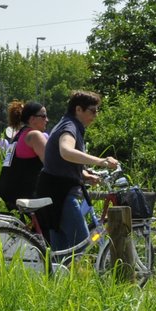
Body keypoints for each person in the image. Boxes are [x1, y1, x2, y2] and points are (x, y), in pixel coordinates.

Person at [34, 91, 119, 252]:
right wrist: (101, 161)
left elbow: (60, 161)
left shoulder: (68, 124)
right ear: (78, 110)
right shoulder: (70, 126)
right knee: (82, 243)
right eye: (92, 111)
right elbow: (66, 151)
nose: (96, 115)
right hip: (60, 193)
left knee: (62, 250)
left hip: (54, 189)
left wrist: (84, 175)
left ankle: (57, 276)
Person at [0, 101, 49, 211]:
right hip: (23, 192)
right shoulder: (34, 135)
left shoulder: (19, 134)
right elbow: (51, 164)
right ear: (32, 119)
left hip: (8, 189)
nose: (47, 120)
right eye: (43, 116)